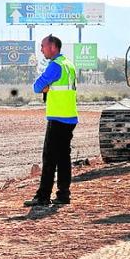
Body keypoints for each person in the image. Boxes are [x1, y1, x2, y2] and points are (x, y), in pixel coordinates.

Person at [25, 35, 78, 207]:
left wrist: (45, 87)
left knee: (49, 158)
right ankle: (63, 194)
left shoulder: (55, 66)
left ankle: (43, 196)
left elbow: (37, 86)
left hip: (57, 117)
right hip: (69, 116)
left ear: (53, 47)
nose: (41, 50)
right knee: (64, 158)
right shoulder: (68, 64)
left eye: (43, 46)